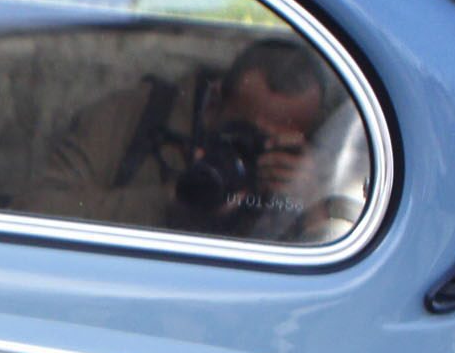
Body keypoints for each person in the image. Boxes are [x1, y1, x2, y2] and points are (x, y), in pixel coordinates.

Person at [34, 36, 362, 243]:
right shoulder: (135, 117)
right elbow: (36, 210)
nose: (250, 155)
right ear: (214, 102)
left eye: (270, 146)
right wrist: (174, 199)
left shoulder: (312, 176)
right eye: (240, 135)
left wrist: (307, 206)